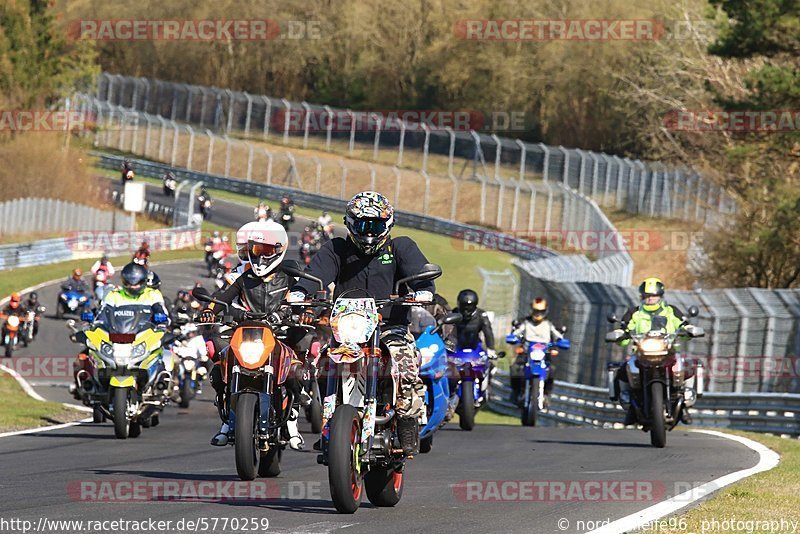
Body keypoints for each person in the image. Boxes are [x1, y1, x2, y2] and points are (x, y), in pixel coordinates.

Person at [288, 191, 434, 457]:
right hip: (346, 329)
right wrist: (301, 291)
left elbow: (420, 272)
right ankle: (330, 426)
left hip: (390, 327)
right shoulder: (337, 249)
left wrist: (423, 290)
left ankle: (406, 422)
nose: (368, 232)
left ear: (387, 225)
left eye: (375, 225)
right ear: (350, 223)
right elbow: (316, 274)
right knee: (320, 362)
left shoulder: (400, 247)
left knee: (405, 362)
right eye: (362, 225)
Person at [197, 220, 309, 450]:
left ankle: (292, 421)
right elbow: (223, 297)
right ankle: (227, 422)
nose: (260, 256)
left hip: (279, 334)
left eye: (266, 251)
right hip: (248, 333)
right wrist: (209, 311)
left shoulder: (290, 276)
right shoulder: (244, 279)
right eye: (256, 250)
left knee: (295, 372)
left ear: (279, 250)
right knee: (219, 367)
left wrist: (304, 312)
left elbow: (306, 299)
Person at [613, 277, 691, 425]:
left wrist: (689, 330)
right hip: (641, 354)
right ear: (641, 296)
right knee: (622, 372)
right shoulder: (634, 313)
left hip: (669, 352)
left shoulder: (671, 311)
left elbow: (684, 324)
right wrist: (619, 335)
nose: (650, 299)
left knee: (688, 367)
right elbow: (623, 330)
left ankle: (685, 404)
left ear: (661, 296)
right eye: (646, 296)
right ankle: (630, 406)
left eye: (653, 295)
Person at [508, 297, 564, 405]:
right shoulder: (525, 322)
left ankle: (546, 394)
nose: (538, 314)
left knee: (552, 369)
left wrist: (558, 346)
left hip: (544, 354)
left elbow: (558, 337)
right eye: (535, 311)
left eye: (540, 311)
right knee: (515, 368)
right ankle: (516, 392)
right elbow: (514, 334)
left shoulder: (549, 324)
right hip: (526, 352)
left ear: (545, 311)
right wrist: (512, 339)